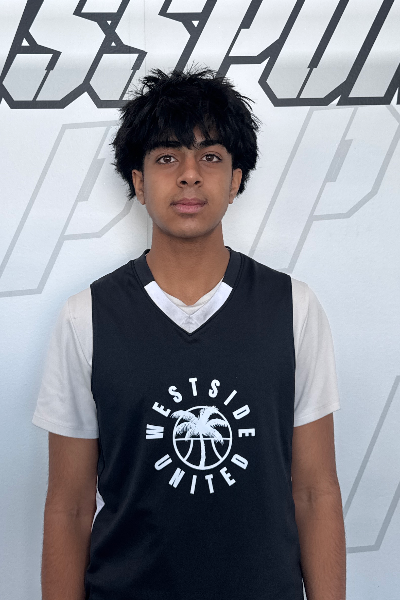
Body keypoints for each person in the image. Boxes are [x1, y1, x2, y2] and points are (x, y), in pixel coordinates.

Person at [32, 67, 346, 600]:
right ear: (138, 182)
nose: (189, 175)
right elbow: (70, 507)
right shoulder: (86, 317)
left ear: (236, 179)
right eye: (166, 157)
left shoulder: (293, 307)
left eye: (210, 156)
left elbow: (316, 494)